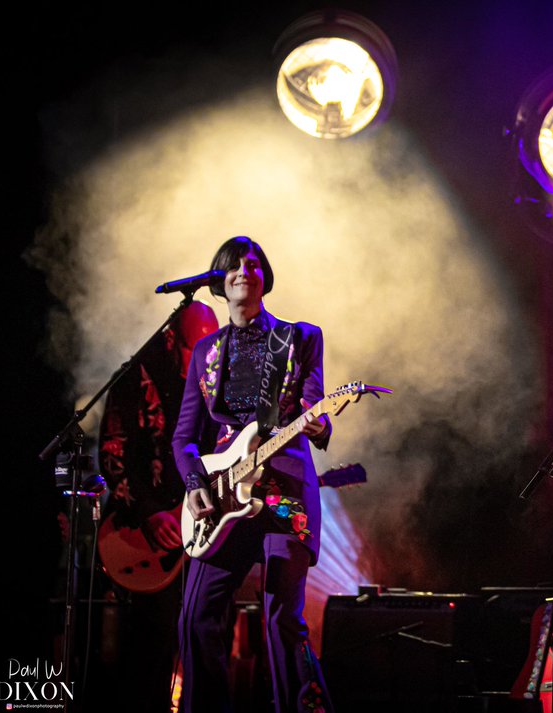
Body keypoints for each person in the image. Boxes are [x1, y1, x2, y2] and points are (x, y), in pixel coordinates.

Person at [173, 236, 333, 713]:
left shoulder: (301, 337)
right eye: (233, 265)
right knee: (195, 616)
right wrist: (196, 484)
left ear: (264, 275)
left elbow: (314, 408)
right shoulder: (205, 352)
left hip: (285, 494)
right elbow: (184, 436)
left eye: (252, 263)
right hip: (224, 495)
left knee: (282, 619)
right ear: (219, 282)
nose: (244, 269)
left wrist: (319, 423)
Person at [98, 300, 218, 712]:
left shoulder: (217, 384)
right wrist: (149, 512)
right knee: (151, 646)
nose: (206, 357)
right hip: (148, 535)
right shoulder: (134, 379)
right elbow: (113, 455)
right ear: (171, 340)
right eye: (195, 348)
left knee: (207, 635)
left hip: (204, 535)